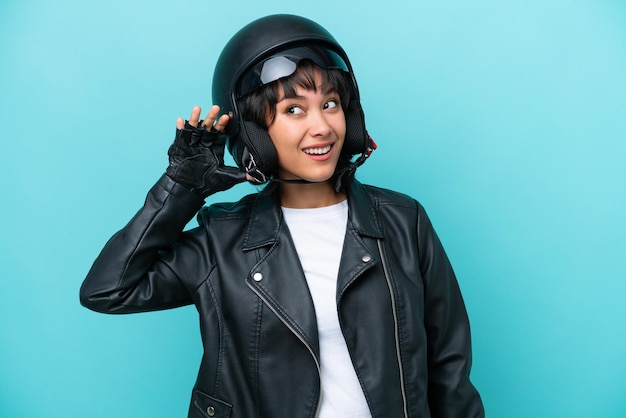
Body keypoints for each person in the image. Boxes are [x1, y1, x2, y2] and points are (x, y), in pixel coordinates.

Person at [80, 14, 485, 418]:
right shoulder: (221, 241)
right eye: (294, 110)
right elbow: (108, 290)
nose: (321, 126)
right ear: (255, 131)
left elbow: (449, 366)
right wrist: (181, 189)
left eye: (330, 104)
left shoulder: (403, 222)